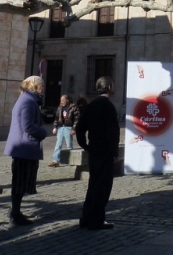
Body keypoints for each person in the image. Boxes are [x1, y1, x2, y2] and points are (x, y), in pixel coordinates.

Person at [77, 76, 120, 230]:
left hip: (94, 150)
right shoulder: (108, 106)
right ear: (109, 87)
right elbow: (113, 133)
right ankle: (96, 220)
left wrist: (86, 146)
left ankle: (86, 217)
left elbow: (80, 128)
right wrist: (114, 153)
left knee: (93, 185)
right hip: (105, 152)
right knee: (103, 187)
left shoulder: (91, 105)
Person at [4, 76, 48, 225]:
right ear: (34, 86)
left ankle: (16, 211)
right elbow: (27, 125)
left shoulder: (27, 99)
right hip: (24, 148)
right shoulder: (28, 101)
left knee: (20, 181)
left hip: (24, 148)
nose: (43, 88)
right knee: (20, 181)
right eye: (41, 85)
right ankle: (15, 213)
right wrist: (42, 132)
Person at [49, 94, 79, 167]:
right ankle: (55, 161)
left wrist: (74, 129)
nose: (61, 102)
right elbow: (56, 118)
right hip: (60, 127)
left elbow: (76, 119)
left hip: (68, 127)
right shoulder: (60, 108)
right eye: (61, 100)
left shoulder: (73, 107)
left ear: (67, 100)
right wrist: (55, 127)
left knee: (69, 145)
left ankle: (71, 160)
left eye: (63, 100)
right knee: (58, 145)